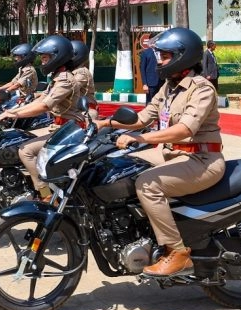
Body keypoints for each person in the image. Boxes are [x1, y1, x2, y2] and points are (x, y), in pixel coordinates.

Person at [94, 27, 225, 277]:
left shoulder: (202, 89)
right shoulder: (169, 87)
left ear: (182, 57)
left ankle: (177, 252)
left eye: (164, 56)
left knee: (147, 185)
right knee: (116, 168)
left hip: (201, 159)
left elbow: (184, 130)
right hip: (169, 153)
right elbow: (143, 117)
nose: (160, 61)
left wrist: (139, 138)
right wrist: (105, 123)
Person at [0, 35, 81, 202]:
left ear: (58, 57)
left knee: (25, 150)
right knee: (20, 136)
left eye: (45, 58)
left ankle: (46, 195)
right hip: (59, 127)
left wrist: (13, 114)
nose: (42, 62)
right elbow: (40, 100)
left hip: (68, 130)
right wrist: (13, 110)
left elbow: (44, 106)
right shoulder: (57, 78)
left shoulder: (65, 81)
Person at [68, 39, 98, 120]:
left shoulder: (82, 72)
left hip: (85, 110)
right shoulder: (70, 71)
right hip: (73, 110)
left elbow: (69, 87)